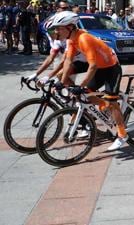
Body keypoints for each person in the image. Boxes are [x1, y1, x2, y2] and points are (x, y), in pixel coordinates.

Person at [50, 11, 127, 151]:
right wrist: (61, 81)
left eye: (58, 28)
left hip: (112, 68)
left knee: (112, 102)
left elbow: (93, 66)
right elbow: (68, 60)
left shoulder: (84, 38)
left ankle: (122, 135)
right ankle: (105, 107)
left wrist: (81, 85)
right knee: (87, 95)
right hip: (100, 69)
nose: (56, 31)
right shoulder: (71, 40)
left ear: (70, 27)